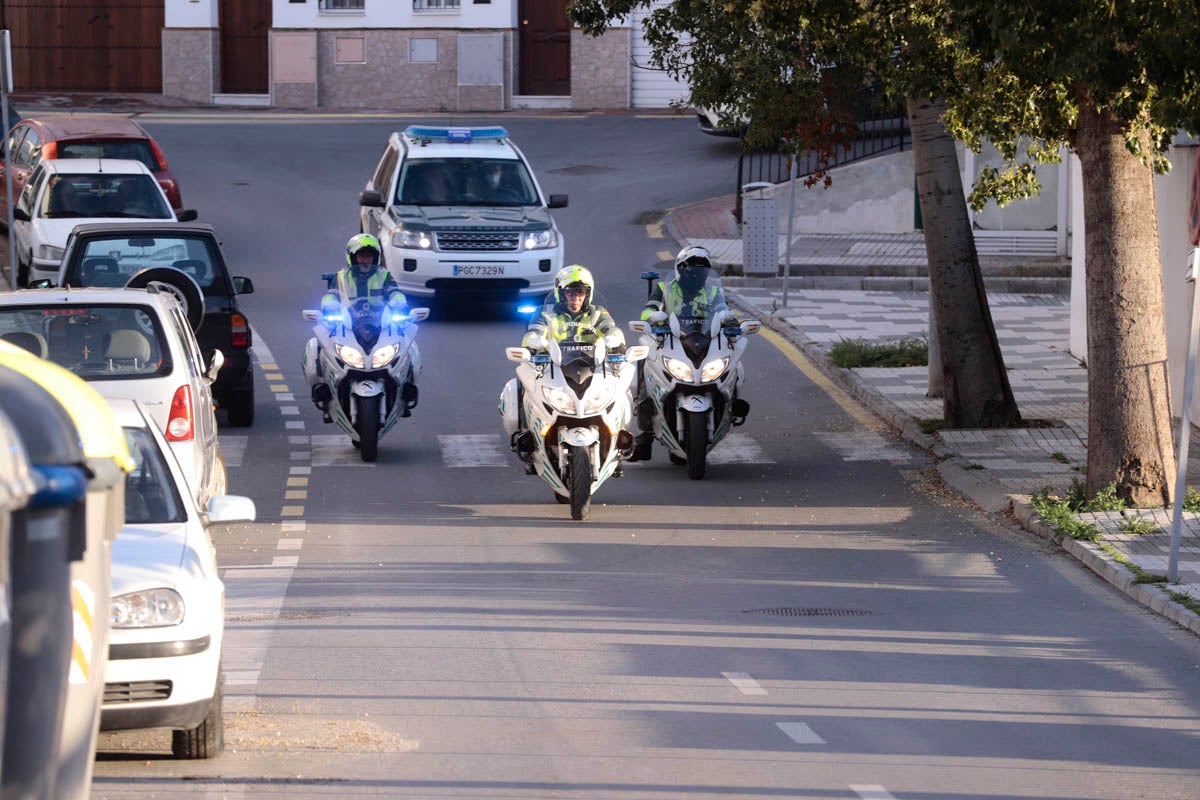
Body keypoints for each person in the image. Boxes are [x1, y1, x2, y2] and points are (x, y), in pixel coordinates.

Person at [630, 245, 737, 462]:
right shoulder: (663, 287)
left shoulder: (713, 291)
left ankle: (732, 402)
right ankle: (645, 435)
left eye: (700, 270)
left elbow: (724, 310)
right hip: (671, 340)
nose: (695, 274)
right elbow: (647, 310)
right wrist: (655, 317)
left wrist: (730, 320)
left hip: (703, 341)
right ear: (680, 269)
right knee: (645, 355)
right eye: (690, 269)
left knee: (734, 357)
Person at [513, 265, 627, 465]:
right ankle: (527, 436)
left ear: (587, 295)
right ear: (561, 293)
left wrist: (613, 339)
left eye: (580, 293)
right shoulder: (545, 313)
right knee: (524, 381)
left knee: (620, 386)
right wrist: (535, 341)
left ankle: (619, 438)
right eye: (570, 292)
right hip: (554, 369)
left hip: (590, 369)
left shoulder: (598, 314)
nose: (575, 298)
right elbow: (533, 333)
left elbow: (612, 330)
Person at [320, 233, 408, 319]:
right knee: (324, 331)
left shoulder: (384, 275)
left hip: (380, 323)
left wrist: (398, 300)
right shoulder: (341, 276)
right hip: (348, 323)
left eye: (369, 256)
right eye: (361, 256)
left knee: (405, 330)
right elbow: (332, 294)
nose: (365, 260)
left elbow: (394, 291)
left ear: (375, 258)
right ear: (353, 257)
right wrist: (330, 303)